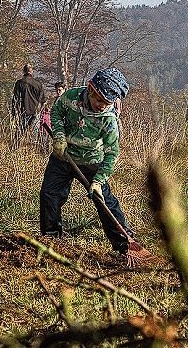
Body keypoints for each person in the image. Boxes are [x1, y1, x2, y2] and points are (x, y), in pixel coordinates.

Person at [39, 67, 134, 255]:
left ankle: (125, 244)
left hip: (92, 160)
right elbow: (56, 112)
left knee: (104, 201)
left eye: (107, 103)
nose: (101, 105)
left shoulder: (109, 120)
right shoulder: (71, 97)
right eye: (99, 99)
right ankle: (51, 239)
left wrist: (98, 181)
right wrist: (59, 136)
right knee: (50, 195)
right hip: (63, 157)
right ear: (90, 89)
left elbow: (112, 153)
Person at [11, 64, 46, 146]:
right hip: (35, 112)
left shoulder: (19, 83)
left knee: (19, 134)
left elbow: (15, 100)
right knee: (33, 135)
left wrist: (13, 113)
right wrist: (39, 111)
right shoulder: (38, 84)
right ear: (32, 72)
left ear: (23, 71)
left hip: (22, 112)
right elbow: (43, 100)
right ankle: (32, 152)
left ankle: (15, 150)